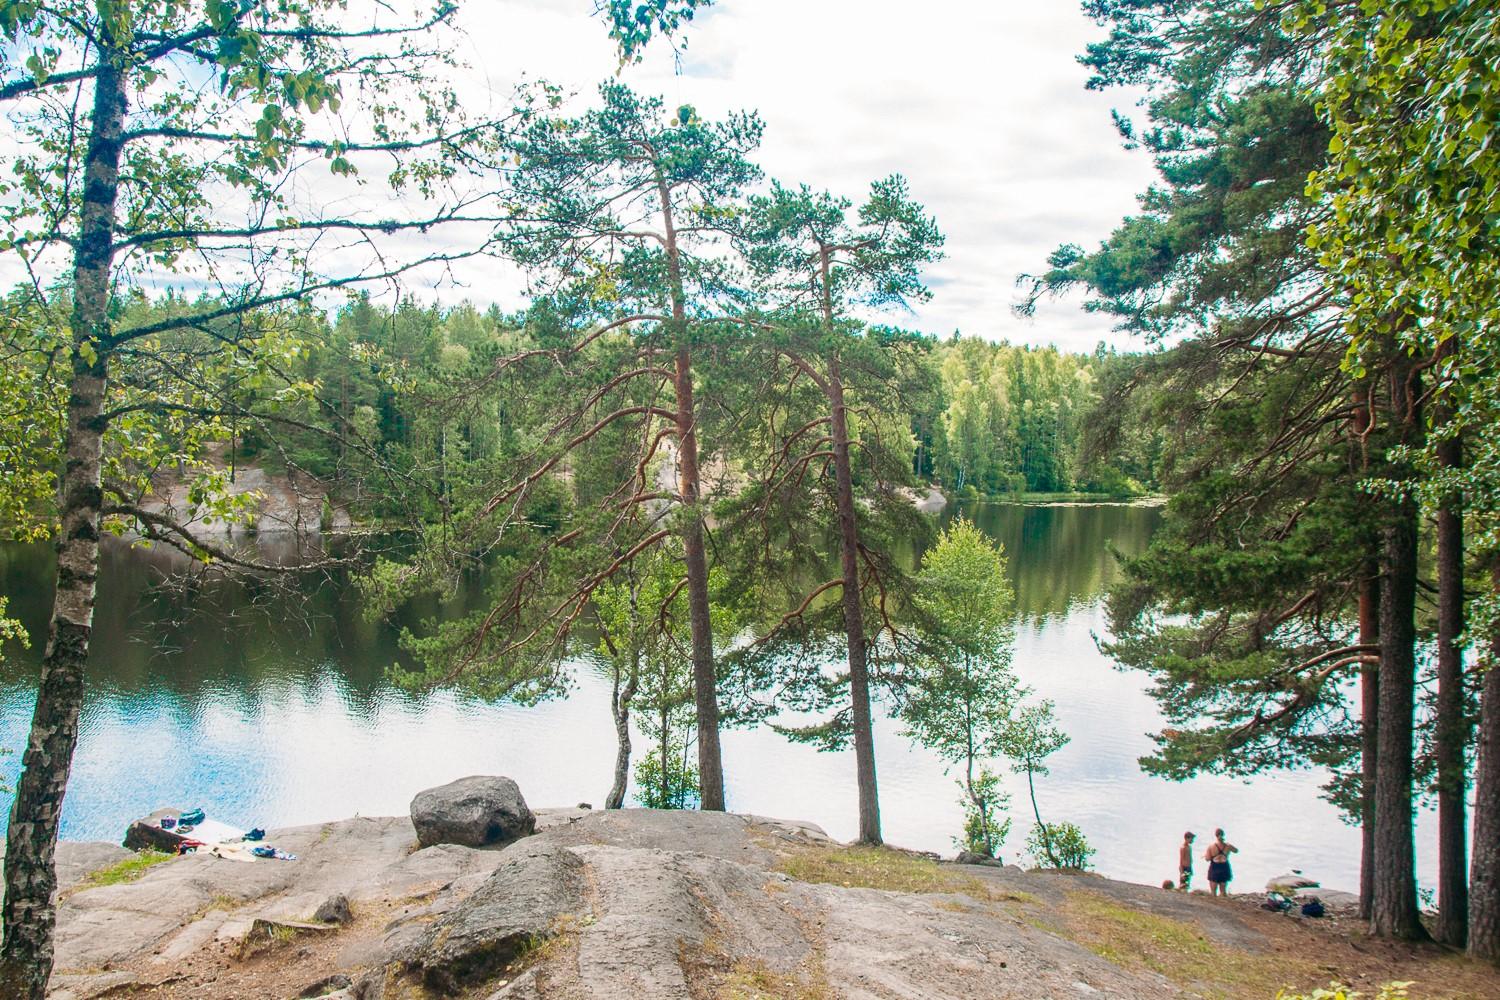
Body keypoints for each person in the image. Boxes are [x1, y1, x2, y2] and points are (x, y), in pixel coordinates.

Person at [1204, 827, 1238, 897]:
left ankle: (1214, 903)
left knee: (1213, 891)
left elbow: (1207, 859)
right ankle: (1222, 901)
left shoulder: (1211, 846)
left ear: (1216, 835)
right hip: (1224, 866)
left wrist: (1207, 855)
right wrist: (1228, 845)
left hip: (1214, 867)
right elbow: (1236, 851)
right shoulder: (1227, 845)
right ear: (1223, 835)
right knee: (1223, 890)